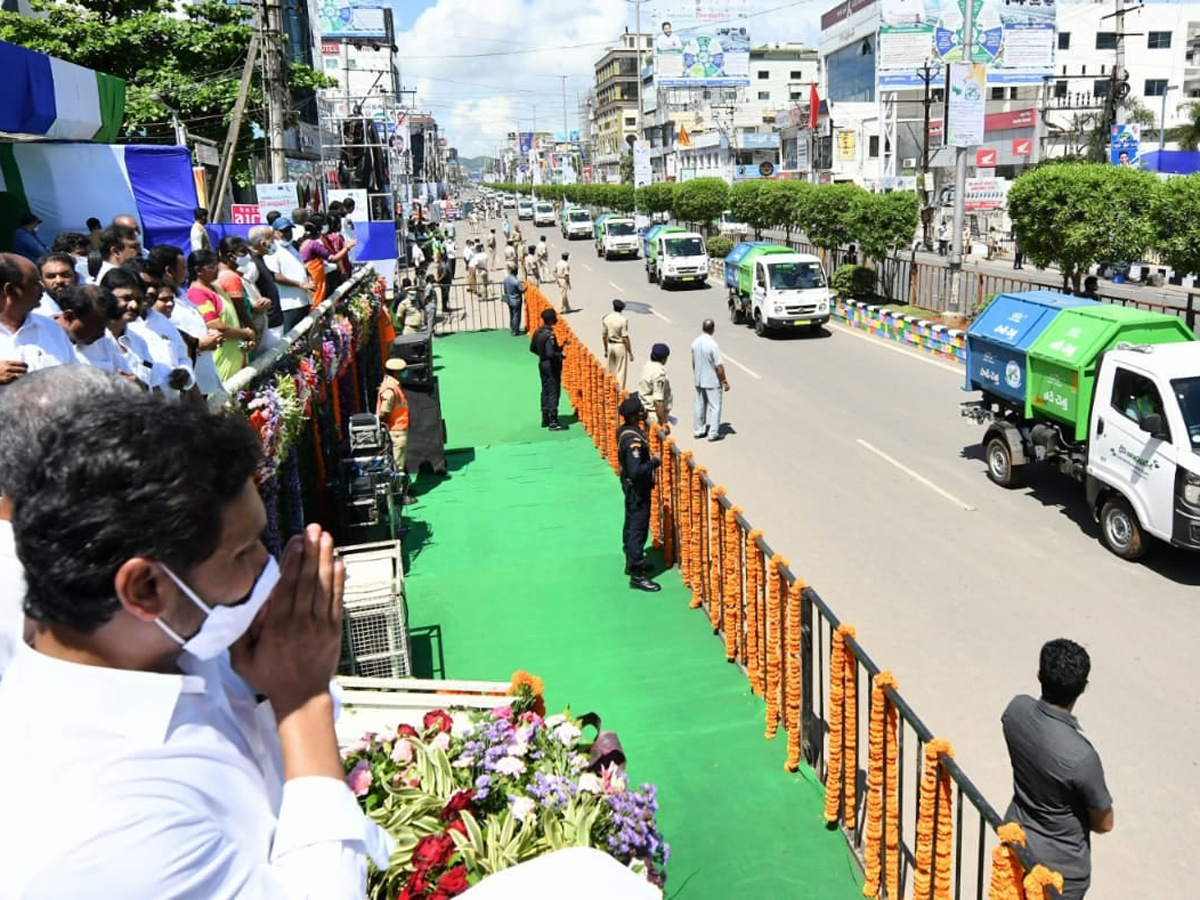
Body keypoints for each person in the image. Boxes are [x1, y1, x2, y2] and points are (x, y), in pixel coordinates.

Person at [0, 393, 391, 896]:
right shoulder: (108, 827)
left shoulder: (163, 645)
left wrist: (272, 687)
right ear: (145, 589)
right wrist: (302, 705)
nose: (264, 569)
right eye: (243, 552)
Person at [1002, 639, 1113, 900]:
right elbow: (1105, 823)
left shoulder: (1015, 711)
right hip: (1061, 873)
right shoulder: (1081, 755)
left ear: (1039, 675)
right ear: (1084, 687)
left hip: (1018, 843)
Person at [0, 254, 76, 393]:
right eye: (35, 283)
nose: (42, 289)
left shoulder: (51, 329)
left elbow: (73, 378)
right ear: (10, 290)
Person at [186, 250, 254, 385]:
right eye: (212, 267)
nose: (217, 270)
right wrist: (245, 333)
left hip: (236, 355)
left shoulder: (216, 288)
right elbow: (215, 326)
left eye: (216, 265)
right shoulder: (197, 294)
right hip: (219, 360)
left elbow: (231, 319)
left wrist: (244, 339)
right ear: (198, 270)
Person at [616, 393, 662, 593]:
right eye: (639, 411)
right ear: (633, 415)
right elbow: (636, 471)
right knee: (638, 528)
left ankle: (632, 560)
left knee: (631, 522)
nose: (643, 413)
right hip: (638, 489)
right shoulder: (632, 441)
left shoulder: (626, 430)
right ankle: (637, 574)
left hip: (632, 487)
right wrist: (654, 462)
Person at [265, 217, 316, 331]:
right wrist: (300, 284)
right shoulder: (273, 251)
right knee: (291, 340)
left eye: (289, 230)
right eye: (284, 231)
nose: (288, 234)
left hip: (303, 300)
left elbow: (301, 268)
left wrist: (309, 278)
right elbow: (276, 276)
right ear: (275, 232)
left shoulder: (291, 247)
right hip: (288, 304)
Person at [376, 358, 415, 505]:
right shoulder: (390, 389)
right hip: (396, 431)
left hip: (398, 429)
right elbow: (384, 412)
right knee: (397, 466)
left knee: (399, 464)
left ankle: (402, 490)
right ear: (396, 372)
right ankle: (398, 497)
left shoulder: (391, 385)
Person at [246, 225, 285, 349]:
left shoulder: (259, 259)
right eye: (272, 240)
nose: (274, 243)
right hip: (268, 324)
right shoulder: (250, 264)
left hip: (273, 322)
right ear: (263, 243)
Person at [691, 318, 729, 441]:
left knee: (699, 405)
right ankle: (713, 433)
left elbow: (694, 362)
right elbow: (719, 366)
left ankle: (698, 430)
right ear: (713, 329)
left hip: (699, 379)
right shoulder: (713, 345)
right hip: (712, 381)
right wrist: (724, 381)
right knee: (715, 407)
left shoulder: (695, 342)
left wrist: (696, 374)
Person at [530, 308, 567, 431]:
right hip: (551, 366)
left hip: (542, 364)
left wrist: (544, 355)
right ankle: (553, 421)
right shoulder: (549, 335)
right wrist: (560, 355)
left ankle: (545, 417)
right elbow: (551, 354)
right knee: (553, 391)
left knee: (545, 389)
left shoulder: (538, 332)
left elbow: (532, 348)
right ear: (551, 319)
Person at [637, 343, 673, 435]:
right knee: (656, 445)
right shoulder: (658, 373)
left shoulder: (647, 366)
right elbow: (658, 401)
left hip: (644, 409)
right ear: (664, 359)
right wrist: (664, 422)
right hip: (653, 414)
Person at [601, 298, 633, 389]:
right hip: (620, 346)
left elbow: (604, 336)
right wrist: (630, 352)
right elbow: (625, 338)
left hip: (610, 345)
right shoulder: (623, 320)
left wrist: (606, 349)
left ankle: (609, 391)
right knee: (620, 371)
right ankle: (619, 395)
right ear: (622, 309)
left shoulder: (607, 318)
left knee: (610, 371)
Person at [36, 251, 78, 317]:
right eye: (51, 276)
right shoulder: (37, 314)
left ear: (76, 277)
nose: (59, 281)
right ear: (41, 281)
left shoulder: (90, 307)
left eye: (65, 275)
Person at [502, 262, 526, 336]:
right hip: (516, 300)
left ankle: (512, 328)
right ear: (516, 271)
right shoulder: (516, 281)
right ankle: (515, 330)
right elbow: (522, 290)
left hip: (509, 299)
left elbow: (505, 290)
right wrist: (526, 287)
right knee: (516, 315)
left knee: (512, 315)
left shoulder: (506, 279)